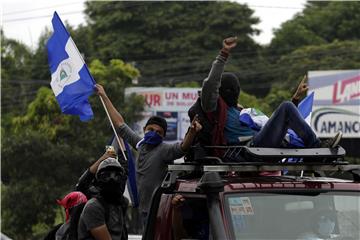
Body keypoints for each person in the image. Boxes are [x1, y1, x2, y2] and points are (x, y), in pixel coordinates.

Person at [197, 36, 342, 153]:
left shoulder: (240, 111)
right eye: (230, 89)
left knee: (286, 108)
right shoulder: (213, 109)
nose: (234, 92)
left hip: (262, 142)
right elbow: (211, 84)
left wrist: (296, 99)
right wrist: (223, 54)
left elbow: (273, 122)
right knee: (285, 106)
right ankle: (317, 146)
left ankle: (315, 147)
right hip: (250, 148)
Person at [95, 84, 202, 226]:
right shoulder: (140, 144)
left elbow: (183, 147)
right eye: (151, 129)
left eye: (159, 132)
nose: (154, 133)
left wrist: (192, 132)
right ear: (144, 129)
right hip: (142, 209)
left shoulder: (165, 150)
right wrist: (104, 95)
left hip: (157, 210)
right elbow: (120, 123)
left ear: (164, 136)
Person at [77, 157, 128, 240]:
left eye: (116, 176)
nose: (112, 180)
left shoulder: (121, 204)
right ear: (98, 180)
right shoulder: (93, 206)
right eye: (106, 176)